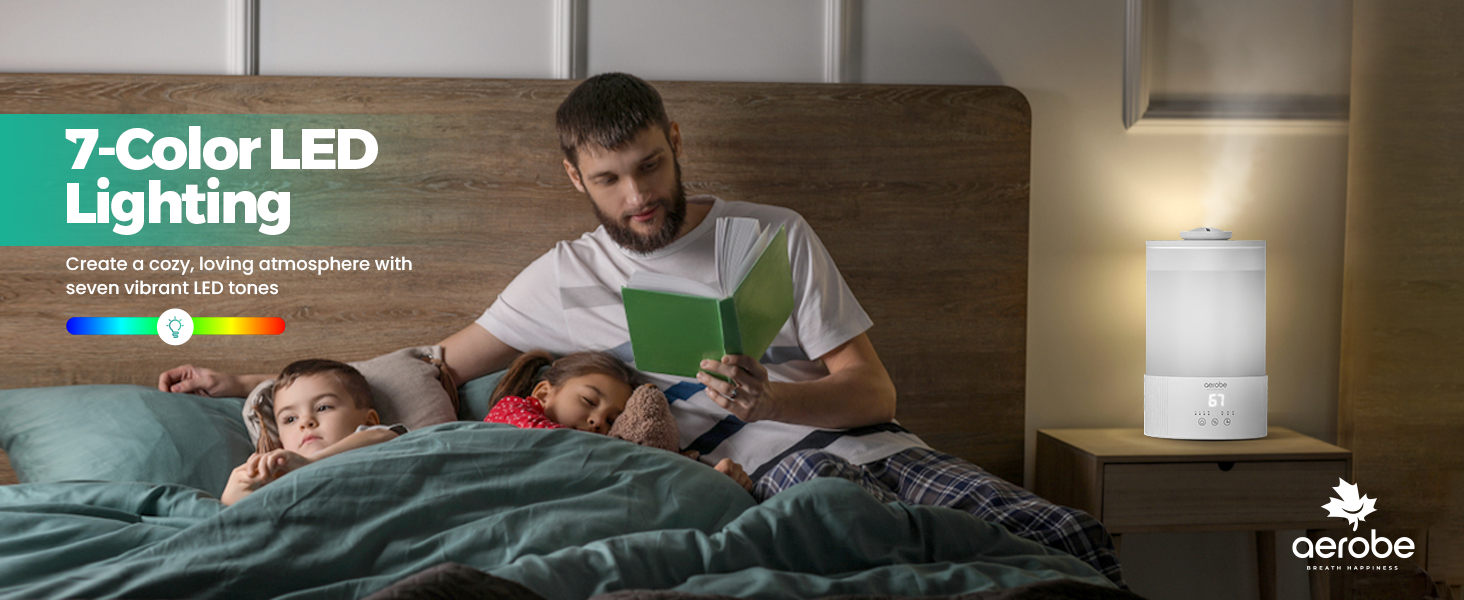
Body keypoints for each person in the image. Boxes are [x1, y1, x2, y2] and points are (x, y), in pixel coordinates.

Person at [160, 73, 1122, 586]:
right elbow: (432, 365)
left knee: (1065, 537)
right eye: (611, 180)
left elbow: (875, 391)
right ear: (575, 178)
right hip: (765, 476)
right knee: (866, 552)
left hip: (871, 441)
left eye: (652, 168)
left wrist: (772, 394)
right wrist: (250, 385)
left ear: (676, 147)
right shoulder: (562, 276)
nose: (640, 197)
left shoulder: (770, 234)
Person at [484, 349, 753, 490]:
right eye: (588, 401)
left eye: (613, 421)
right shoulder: (512, 410)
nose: (598, 422)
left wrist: (709, 478)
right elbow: (554, 446)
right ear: (544, 393)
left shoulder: (600, 455)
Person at [220, 359, 404, 506]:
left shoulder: (377, 440)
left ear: (369, 420)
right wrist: (232, 498)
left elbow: (383, 436)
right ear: (281, 441)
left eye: (323, 407)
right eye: (290, 419)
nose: (306, 422)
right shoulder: (276, 479)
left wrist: (310, 463)